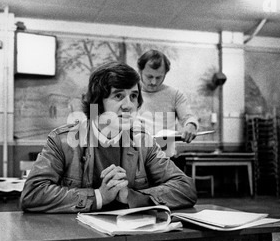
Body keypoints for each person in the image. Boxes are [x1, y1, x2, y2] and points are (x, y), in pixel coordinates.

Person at [20, 61, 197, 214]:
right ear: (97, 102)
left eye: (133, 96)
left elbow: (185, 188)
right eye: (118, 96)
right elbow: (32, 193)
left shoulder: (143, 141)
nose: (129, 106)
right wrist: (99, 197)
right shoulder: (62, 141)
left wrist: (132, 196)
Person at [137, 49, 199, 158]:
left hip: (165, 161)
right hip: (136, 161)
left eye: (158, 77)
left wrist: (191, 125)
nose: (153, 82)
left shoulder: (175, 95)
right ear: (140, 71)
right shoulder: (130, 94)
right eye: (149, 76)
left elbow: (188, 117)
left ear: (165, 74)